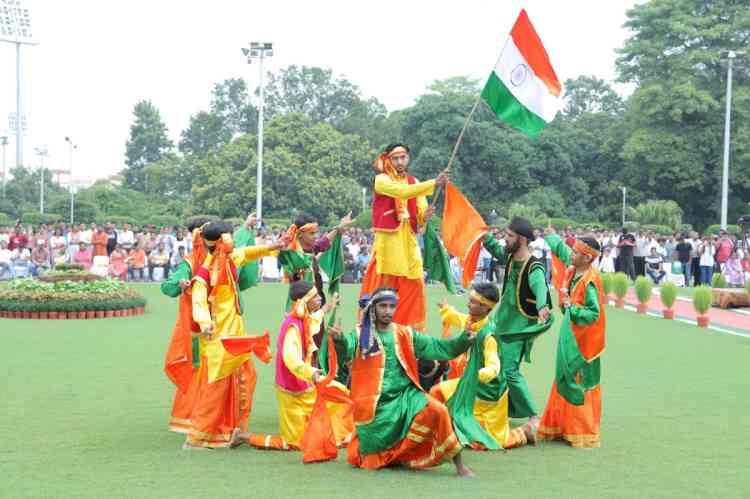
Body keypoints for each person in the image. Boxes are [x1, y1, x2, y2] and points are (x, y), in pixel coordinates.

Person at [331, 288, 475, 476]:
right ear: (372, 308)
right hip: (375, 403)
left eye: (392, 306)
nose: (388, 311)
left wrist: (463, 340)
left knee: (439, 410)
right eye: (383, 306)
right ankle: (398, 456)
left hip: (405, 394)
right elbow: (346, 352)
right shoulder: (360, 334)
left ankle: (460, 466)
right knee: (371, 459)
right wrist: (340, 340)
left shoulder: (405, 333)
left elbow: (438, 347)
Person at [183, 222, 284, 449]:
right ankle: (198, 437)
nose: (234, 242)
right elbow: (198, 301)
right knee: (216, 387)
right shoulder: (204, 274)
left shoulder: (230, 261)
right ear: (220, 243)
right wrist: (205, 323)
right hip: (219, 338)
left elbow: (247, 253)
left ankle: (233, 430)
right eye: (230, 238)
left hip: (236, 334)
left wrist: (272, 247)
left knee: (246, 378)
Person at [234, 281, 353, 450]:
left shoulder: (303, 318)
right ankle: (243, 437)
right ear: (304, 301)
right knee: (295, 443)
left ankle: (340, 435)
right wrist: (310, 372)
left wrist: (327, 307)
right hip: (292, 393)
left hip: (306, 385)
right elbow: (290, 357)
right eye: (315, 297)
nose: (319, 298)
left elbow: (313, 320)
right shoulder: (293, 326)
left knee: (342, 397)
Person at [430, 283, 535, 450]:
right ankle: (437, 433)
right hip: (471, 384)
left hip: (487, 390)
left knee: (483, 442)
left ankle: (523, 433)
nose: (468, 304)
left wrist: (474, 376)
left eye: (472, 301)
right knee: (437, 392)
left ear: (485, 307)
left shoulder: (489, 335)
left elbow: (494, 367)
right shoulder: (472, 321)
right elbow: (458, 318)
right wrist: (446, 310)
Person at [360, 143, 449, 331]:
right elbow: (401, 192)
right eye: (395, 158)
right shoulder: (381, 180)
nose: (400, 162)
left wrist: (424, 217)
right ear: (388, 159)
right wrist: (434, 183)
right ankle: (374, 330)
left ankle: (410, 331)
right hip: (389, 245)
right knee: (384, 288)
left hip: (408, 243)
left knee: (415, 286)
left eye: (403, 157)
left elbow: (419, 214)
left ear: (408, 158)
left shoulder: (414, 181)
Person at [481, 216, 553, 430]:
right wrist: (481, 234)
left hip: (518, 329)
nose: (505, 239)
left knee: (510, 370)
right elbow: (495, 247)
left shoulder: (534, 266)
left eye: (510, 236)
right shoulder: (511, 256)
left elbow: (540, 285)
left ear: (521, 239)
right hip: (499, 323)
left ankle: (533, 417)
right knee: (491, 364)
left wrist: (542, 306)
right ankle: (496, 406)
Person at [538, 230, 606, 448]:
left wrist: (571, 308)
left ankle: (581, 430)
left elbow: (593, 314)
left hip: (584, 343)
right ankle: (561, 425)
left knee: (580, 379)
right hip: (570, 335)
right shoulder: (573, 270)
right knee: (564, 374)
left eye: (576, 253)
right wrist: (550, 237)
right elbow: (562, 251)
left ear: (587, 257)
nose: (571, 255)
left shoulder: (590, 280)